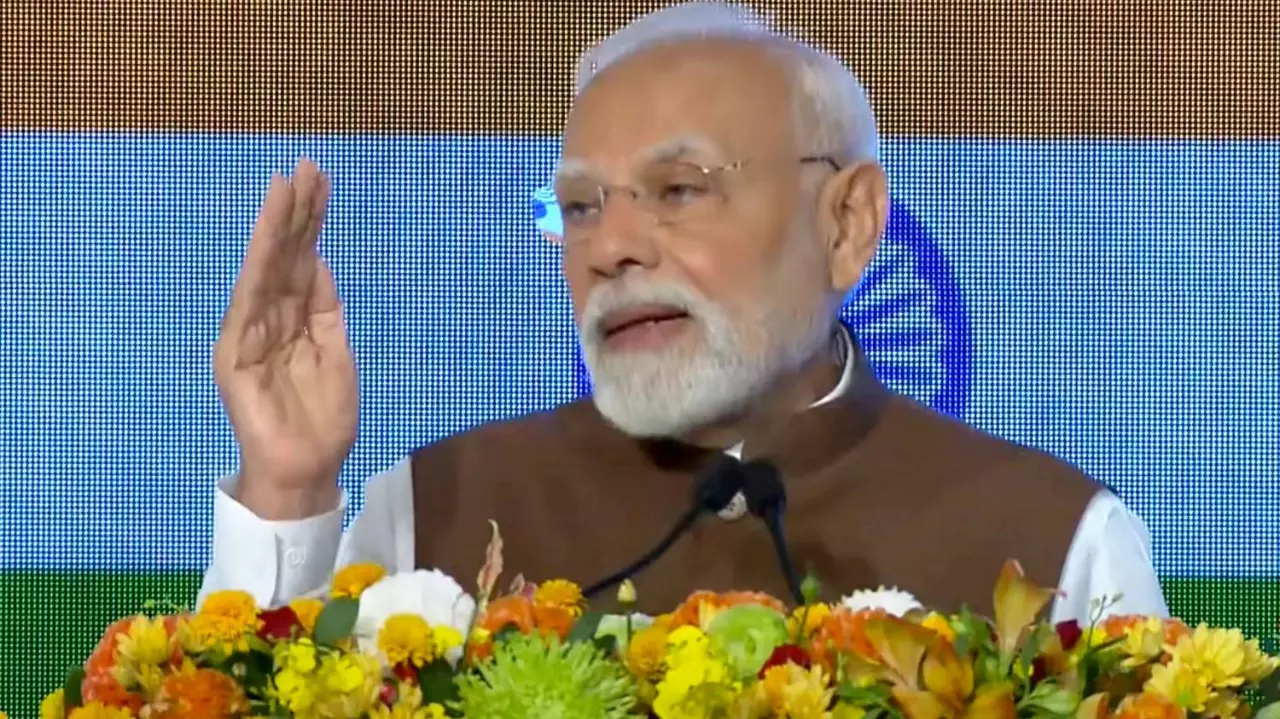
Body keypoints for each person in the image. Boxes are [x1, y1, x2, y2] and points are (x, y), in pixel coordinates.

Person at [200, 2, 1169, 620]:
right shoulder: (436, 513)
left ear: (847, 223)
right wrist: (286, 495)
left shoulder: (1058, 544)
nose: (608, 246)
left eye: (678, 188)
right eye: (577, 206)